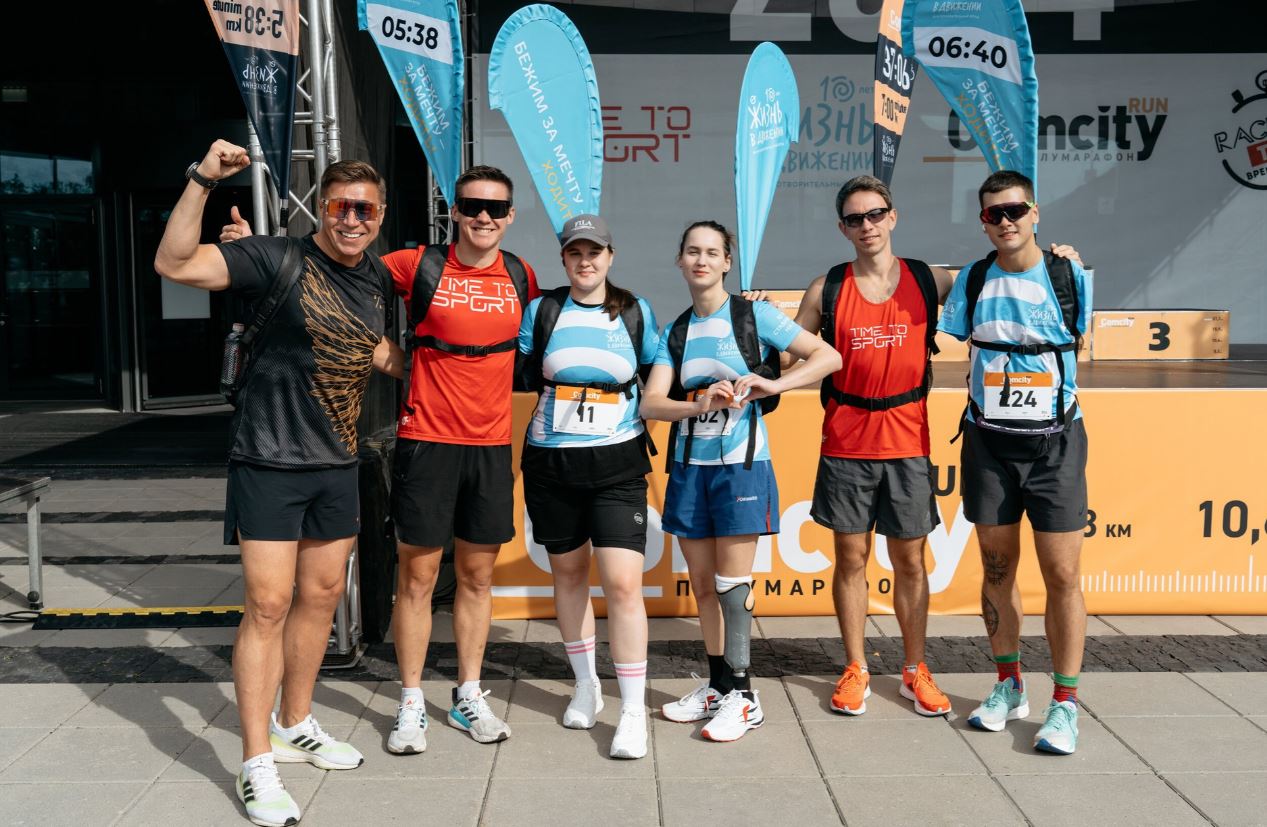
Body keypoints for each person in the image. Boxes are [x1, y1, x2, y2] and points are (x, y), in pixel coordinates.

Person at [156, 139, 403, 826]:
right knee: (268, 604)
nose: (352, 219)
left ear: (380, 216)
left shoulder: (376, 279)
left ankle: (295, 721)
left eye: (365, 209)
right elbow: (173, 263)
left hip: (338, 462)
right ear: (320, 208)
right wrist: (202, 178)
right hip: (268, 459)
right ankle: (256, 760)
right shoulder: (274, 257)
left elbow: (377, 349)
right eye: (340, 206)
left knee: (321, 598)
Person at [789, 176, 1081, 719]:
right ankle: (856, 668)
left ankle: (915, 668)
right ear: (842, 228)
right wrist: (749, 339)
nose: (867, 226)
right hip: (846, 439)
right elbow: (788, 351)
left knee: (910, 561)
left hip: (908, 439)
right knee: (850, 559)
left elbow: (1005, 267)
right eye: (854, 219)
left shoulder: (932, 279)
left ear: (893, 217)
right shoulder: (825, 288)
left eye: (875, 214)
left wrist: (1057, 258)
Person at [640, 220, 841, 742]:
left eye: (712, 252)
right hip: (690, 469)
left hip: (742, 468)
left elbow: (828, 356)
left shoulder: (753, 316)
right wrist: (697, 403)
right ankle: (717, 686)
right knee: (703, 585)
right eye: (692, 252)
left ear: (727, 262)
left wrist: (775, 383)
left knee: (733, 587)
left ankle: (745, 696)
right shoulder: (675, 332)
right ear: (680, 261)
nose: (701, 260)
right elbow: (651, 403)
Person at [379, 166, 540, 751]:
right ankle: (410, 702)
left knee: (476, 577)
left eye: (495, 208)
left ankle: (468, 695)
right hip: (427, 440)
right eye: (472, 206)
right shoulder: (417, 263)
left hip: (491, 445)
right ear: (454, 211)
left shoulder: (521, 274)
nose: (483, 217)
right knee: (418, 577)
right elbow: (339, 277)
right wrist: (393, 359)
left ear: (510, 215)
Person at [938, 169, 1092, 755]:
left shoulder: (1068, 274)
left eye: (1015, 210)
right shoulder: (975, 277)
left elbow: (1081, 343)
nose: (1005, 221)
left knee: (1062, 575)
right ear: (983, 221)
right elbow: (950, 328)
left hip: (1055, 443)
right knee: (997, 571)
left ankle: (1065, 703)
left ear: (1035, 212)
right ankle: (1009, 684)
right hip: (989, 442)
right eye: (993, 213)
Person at [516, 214, 659, 759]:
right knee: (570, 574)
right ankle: (585, 685)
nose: (585, 261)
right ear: (564, 259)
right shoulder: (543, 310)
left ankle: (632, 711)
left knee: (622, 585)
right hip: (551, 462)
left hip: (618, 462)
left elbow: (659, 367)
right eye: (575, 253)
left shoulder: (635, 311)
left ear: (610, 257)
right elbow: (519, 369)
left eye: (594, 252)